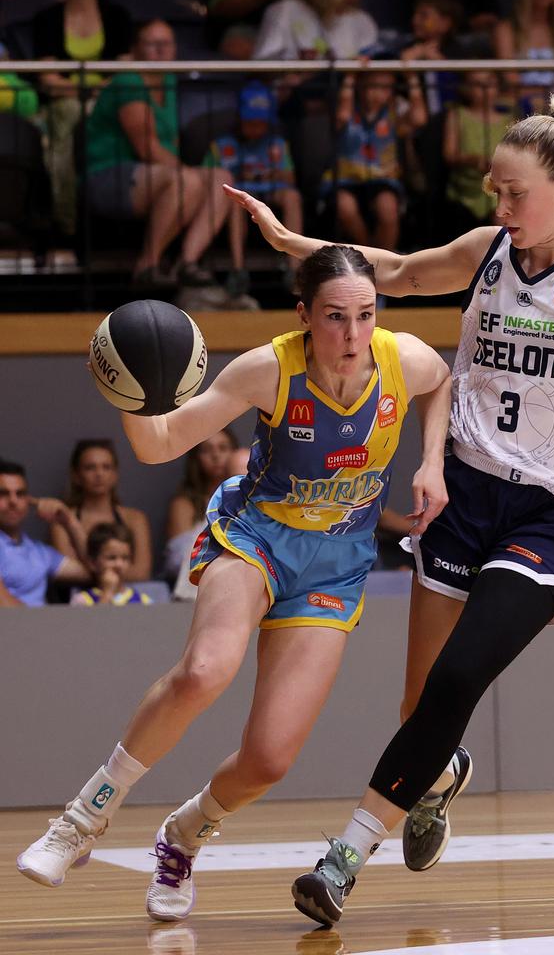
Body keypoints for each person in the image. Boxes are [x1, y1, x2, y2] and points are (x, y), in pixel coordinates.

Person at [224, 16, 554, 926]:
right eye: (492, 188)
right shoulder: (488, 252)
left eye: (513, 191)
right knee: (422, 698)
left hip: (550, 512)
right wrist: (293, 244)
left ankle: (345, 855)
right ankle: (440, 772)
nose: (498, 204)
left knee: (461, 680)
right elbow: (390, 268)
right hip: (463, 492)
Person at [17, 244, 452, 926]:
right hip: (256, 537)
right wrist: (130, 393)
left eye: (366, 315)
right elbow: (160, 445)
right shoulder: (268, 370)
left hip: (337, 565)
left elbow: (441, 382)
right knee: (204, 671)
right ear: (304, 315)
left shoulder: (404, 360)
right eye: (335, 317)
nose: (352, 334)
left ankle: (183, 835)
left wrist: (433, 463)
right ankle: (80, 822)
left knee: (269, 759)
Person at [85, 19, 232, 291]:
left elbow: (169, 143)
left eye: (167, 44)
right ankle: (147, 265)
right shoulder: (128, 80)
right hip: (110, 174)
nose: (162, 51)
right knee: (187, 181)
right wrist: (188, 174)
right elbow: (147, 147)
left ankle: (187, 263)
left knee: (221, 179)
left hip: (155, 175)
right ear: (136, 49)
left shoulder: (168, 81)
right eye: (153, 44)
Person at [32, 0, 132, 235]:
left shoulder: (117, 15)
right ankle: (67, 219)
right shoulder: (47, 19)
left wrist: (100, 93)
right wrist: (84, 93)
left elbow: (123, 68)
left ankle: (113, 221)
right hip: (66, 100)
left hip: (107, 99)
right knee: (70, 112)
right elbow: (47, 76)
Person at [207, 80, 303, 298]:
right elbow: (210, 181)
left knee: (292, 197)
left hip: (271, 191)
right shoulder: (222, 145)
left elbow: (290, 177)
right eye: (250, 123)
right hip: (239, 197)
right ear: (240, 119)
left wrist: (269, 174)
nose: (255, 128)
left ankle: (294, 269)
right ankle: (238, 269)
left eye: (261, 123)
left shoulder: (277, 144)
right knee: (235, 204)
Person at [322, 70, 427, 252]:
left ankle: (384, 261)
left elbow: (419, 119)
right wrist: (350, 76)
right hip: (347, 178)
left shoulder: (393, 112)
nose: (379, 93)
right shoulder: (347, 109)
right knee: (344, 207)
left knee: (388, 209)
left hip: (383, 178)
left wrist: (412, 78)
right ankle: (367, 252)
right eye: (373, 86)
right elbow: (342, 117)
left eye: (386, 87)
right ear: (360, 87)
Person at [50, 439, 153, 583]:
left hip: (128, 600)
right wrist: (116, 571)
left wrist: (91, 570)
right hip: (78, 601)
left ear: (115, 474)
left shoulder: (135, 519)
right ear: (76, 475)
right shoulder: (63, 520)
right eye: (90, 468)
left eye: (106, 467)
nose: (99, 474)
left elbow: (141, 573)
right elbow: (67, 572)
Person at [0, 459, 89, 607]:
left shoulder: (38, 551)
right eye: (3, 494)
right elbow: (4, 605)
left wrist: (69, 521)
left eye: (20, 494)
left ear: (29, 500)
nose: (13, 501)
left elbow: (92, 571)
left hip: (39, 625)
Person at [163, 426, 238, 584]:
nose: (216, 455)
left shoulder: (250, 499)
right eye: (207, 450)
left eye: (223, 448)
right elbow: (176, 561)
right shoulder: (184, 504)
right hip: (195, 586)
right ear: (196, 458)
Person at [443, 70, 513, 237]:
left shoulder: (509, 119)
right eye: (476, 84)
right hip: (469, 183)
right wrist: (473, 160)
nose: (484, 89)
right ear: (466, 89)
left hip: (500, 181)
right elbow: (449, 154)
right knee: (496, 195)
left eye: (489, 83)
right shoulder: (457, 115)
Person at [71, 523, 153, 606]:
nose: (119, 564)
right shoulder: (81, 600)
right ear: (93, 563)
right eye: (112, 558)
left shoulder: (143, 601)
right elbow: (94, 619)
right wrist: (107, 594)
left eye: (125, 558)